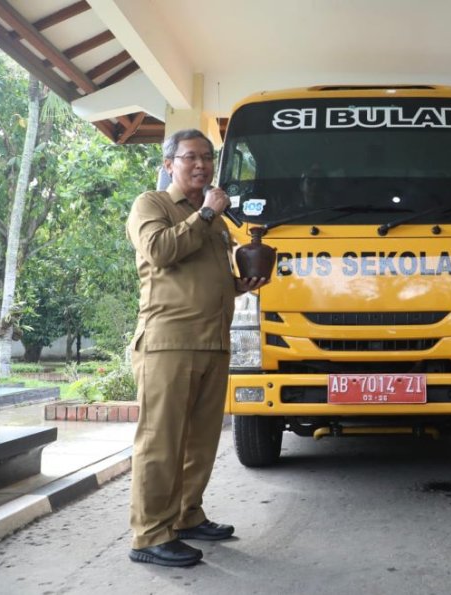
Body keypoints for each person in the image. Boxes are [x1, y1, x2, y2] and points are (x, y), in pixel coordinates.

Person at [125, 129, 268, 567]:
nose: (202, 165)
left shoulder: (217, 221)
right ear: (170, 164)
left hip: (211, 342)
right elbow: (160, 251)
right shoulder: (153, 205)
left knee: (200, 443)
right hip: (168, 342)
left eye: (207, 157)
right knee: (161, 442)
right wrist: (206, 213)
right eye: (191, 157)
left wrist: (240, 284)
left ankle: (186, 516)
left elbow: (205, 275)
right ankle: (150, 535)